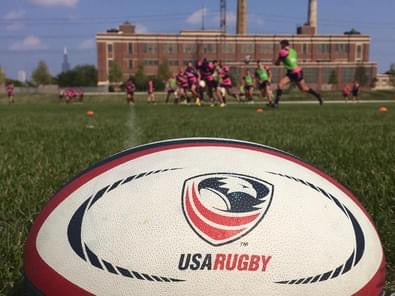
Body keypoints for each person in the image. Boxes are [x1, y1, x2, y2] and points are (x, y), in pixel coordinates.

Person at [274, 39, 323, 107]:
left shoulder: (282, 52)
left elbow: (277, 63)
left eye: (281, 45)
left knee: (303, 89)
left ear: (283, 45)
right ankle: (276, 103)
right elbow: (291, 60)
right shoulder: (293, 51)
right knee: (280, 84)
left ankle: (318, 95)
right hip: (294, 72)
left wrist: (275, 62)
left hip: (295, 73)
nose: (280, 46)